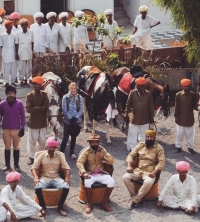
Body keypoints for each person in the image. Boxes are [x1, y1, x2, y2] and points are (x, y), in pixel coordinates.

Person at [123, 130, 165, 209]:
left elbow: (161, 163)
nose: (149, 139)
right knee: (125, 177)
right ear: (145, 137)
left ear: (154, 138)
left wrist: (154, 172)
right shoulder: (141, 145)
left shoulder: (159, 148)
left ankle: (134, 201)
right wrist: (129, 166)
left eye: (151, 137)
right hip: (138, 170)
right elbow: (131, 155)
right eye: (148, 137)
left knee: (149, 182)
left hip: (150, 172)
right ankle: (136, 197)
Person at [31, 137, 71, 216]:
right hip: (45, 178)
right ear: (47, 146)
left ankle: (60, 207)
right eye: (50, 147)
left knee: (66, 185)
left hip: (56, 178)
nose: (52, 149)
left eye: (54, 147)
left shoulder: (59, 155)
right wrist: (36, 177)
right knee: (37, 185)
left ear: (56, 148)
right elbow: (33, 168)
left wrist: (67, 177)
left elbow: (67, 167)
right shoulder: (41, 156)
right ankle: (42, 208)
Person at [77, 134, 115, 214]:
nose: (94, 144)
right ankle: (89, 204)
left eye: (96, 142)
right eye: (93, 142)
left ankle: (104, 203)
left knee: (111, 182)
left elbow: (112, 161)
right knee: (87, 182)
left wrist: (103, 157)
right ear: (90, 143)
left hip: (101, 173)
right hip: (90, 173)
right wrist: (84, 172)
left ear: (98, 143)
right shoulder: (86, 151)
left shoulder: (102, 150)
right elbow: (79, 162)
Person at [125, 77, 154, 153]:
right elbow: (128, 105)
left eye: (141, 85)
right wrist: (126, 115)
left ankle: (142, 150)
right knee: (133, 136)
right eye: (138, 85)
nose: (140, 87)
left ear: (144, 85)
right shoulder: (132, 93)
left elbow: (151, 107)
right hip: (134, 119)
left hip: (145, 119)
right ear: (136, 85)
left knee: (143, 137)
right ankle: (132, 151)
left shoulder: (148, 94)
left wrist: (152, 118)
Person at [0, 85, 25, 172]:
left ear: (15, 94)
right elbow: (0, 116)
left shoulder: (20, 103)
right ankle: (7, 165)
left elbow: (23, 116)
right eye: (9, 93)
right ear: (6, 94)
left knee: (16, 147)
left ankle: (16, 165)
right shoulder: (2, 104)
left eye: (12, 93)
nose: (10, 95)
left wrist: (23, 128)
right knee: (7, 147)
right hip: (6, 129)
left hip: (16, 129)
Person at [26, 76, 49, 165]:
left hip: (43, 121)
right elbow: (28, 109)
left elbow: (46, 107)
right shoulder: (29, 95)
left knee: (42, 140)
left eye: (39, 85)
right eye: (36, 84)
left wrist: (35, 108)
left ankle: (41, 156)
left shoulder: (44, 94)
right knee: (32, 140)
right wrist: (41, 108)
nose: (38, 86)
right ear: (34, 85)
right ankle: (31, 157)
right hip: (33, 122)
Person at [60, 82, 83, 159]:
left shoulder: (79, 98)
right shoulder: (65, 97)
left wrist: (76, 117)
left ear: (76, 89)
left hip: (76, 121)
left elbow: (81, 109)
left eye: (74, 89)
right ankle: (61, 152)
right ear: (69, 89)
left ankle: (71, 152)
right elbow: (64, 109)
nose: (73, 90)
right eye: (71, 88)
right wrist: (70, 118)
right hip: (68, 121)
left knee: (73, 137)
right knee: (65, 137)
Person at [175, 79, 197, 154]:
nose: (186, 88)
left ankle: (190, 148)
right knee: (179, 134)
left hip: (189, 118)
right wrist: (176, 117)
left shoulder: (193, 95)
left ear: (189, 86)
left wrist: (198, 105)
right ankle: (178, 147)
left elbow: (195, 106)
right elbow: (176, 107)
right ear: (182, 86)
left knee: (190, 134)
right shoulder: (178, 95)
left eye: (187, 86)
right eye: (184, 86)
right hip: (180, 118)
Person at [15, 18, 34, 87]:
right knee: (21, 68)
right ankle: (21, 81)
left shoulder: (31, 32)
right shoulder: (18, 33)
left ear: (27, 25)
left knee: (28, 67)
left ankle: (26, 80)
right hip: (21, 53)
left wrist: (33, 52)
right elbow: (16, 44)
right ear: (21, 25)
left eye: (25, 25)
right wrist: (16, 53)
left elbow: (32, 42)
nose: (24, 26)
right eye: (22, 25)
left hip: (29, 52)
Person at [0, 20, 17, 87]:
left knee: (13, 68)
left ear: (12, 27)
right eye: (8, 27)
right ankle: (6, 82)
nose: (9, 28)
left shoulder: (14, 35)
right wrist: (2, 54)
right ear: (6, 27)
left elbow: (16, 44)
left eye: (10, 27)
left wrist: (16, 53)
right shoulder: (2, 36)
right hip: (5, 54)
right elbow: (1, 45)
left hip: (12, 53)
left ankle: (12, 82)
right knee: (6, 69)